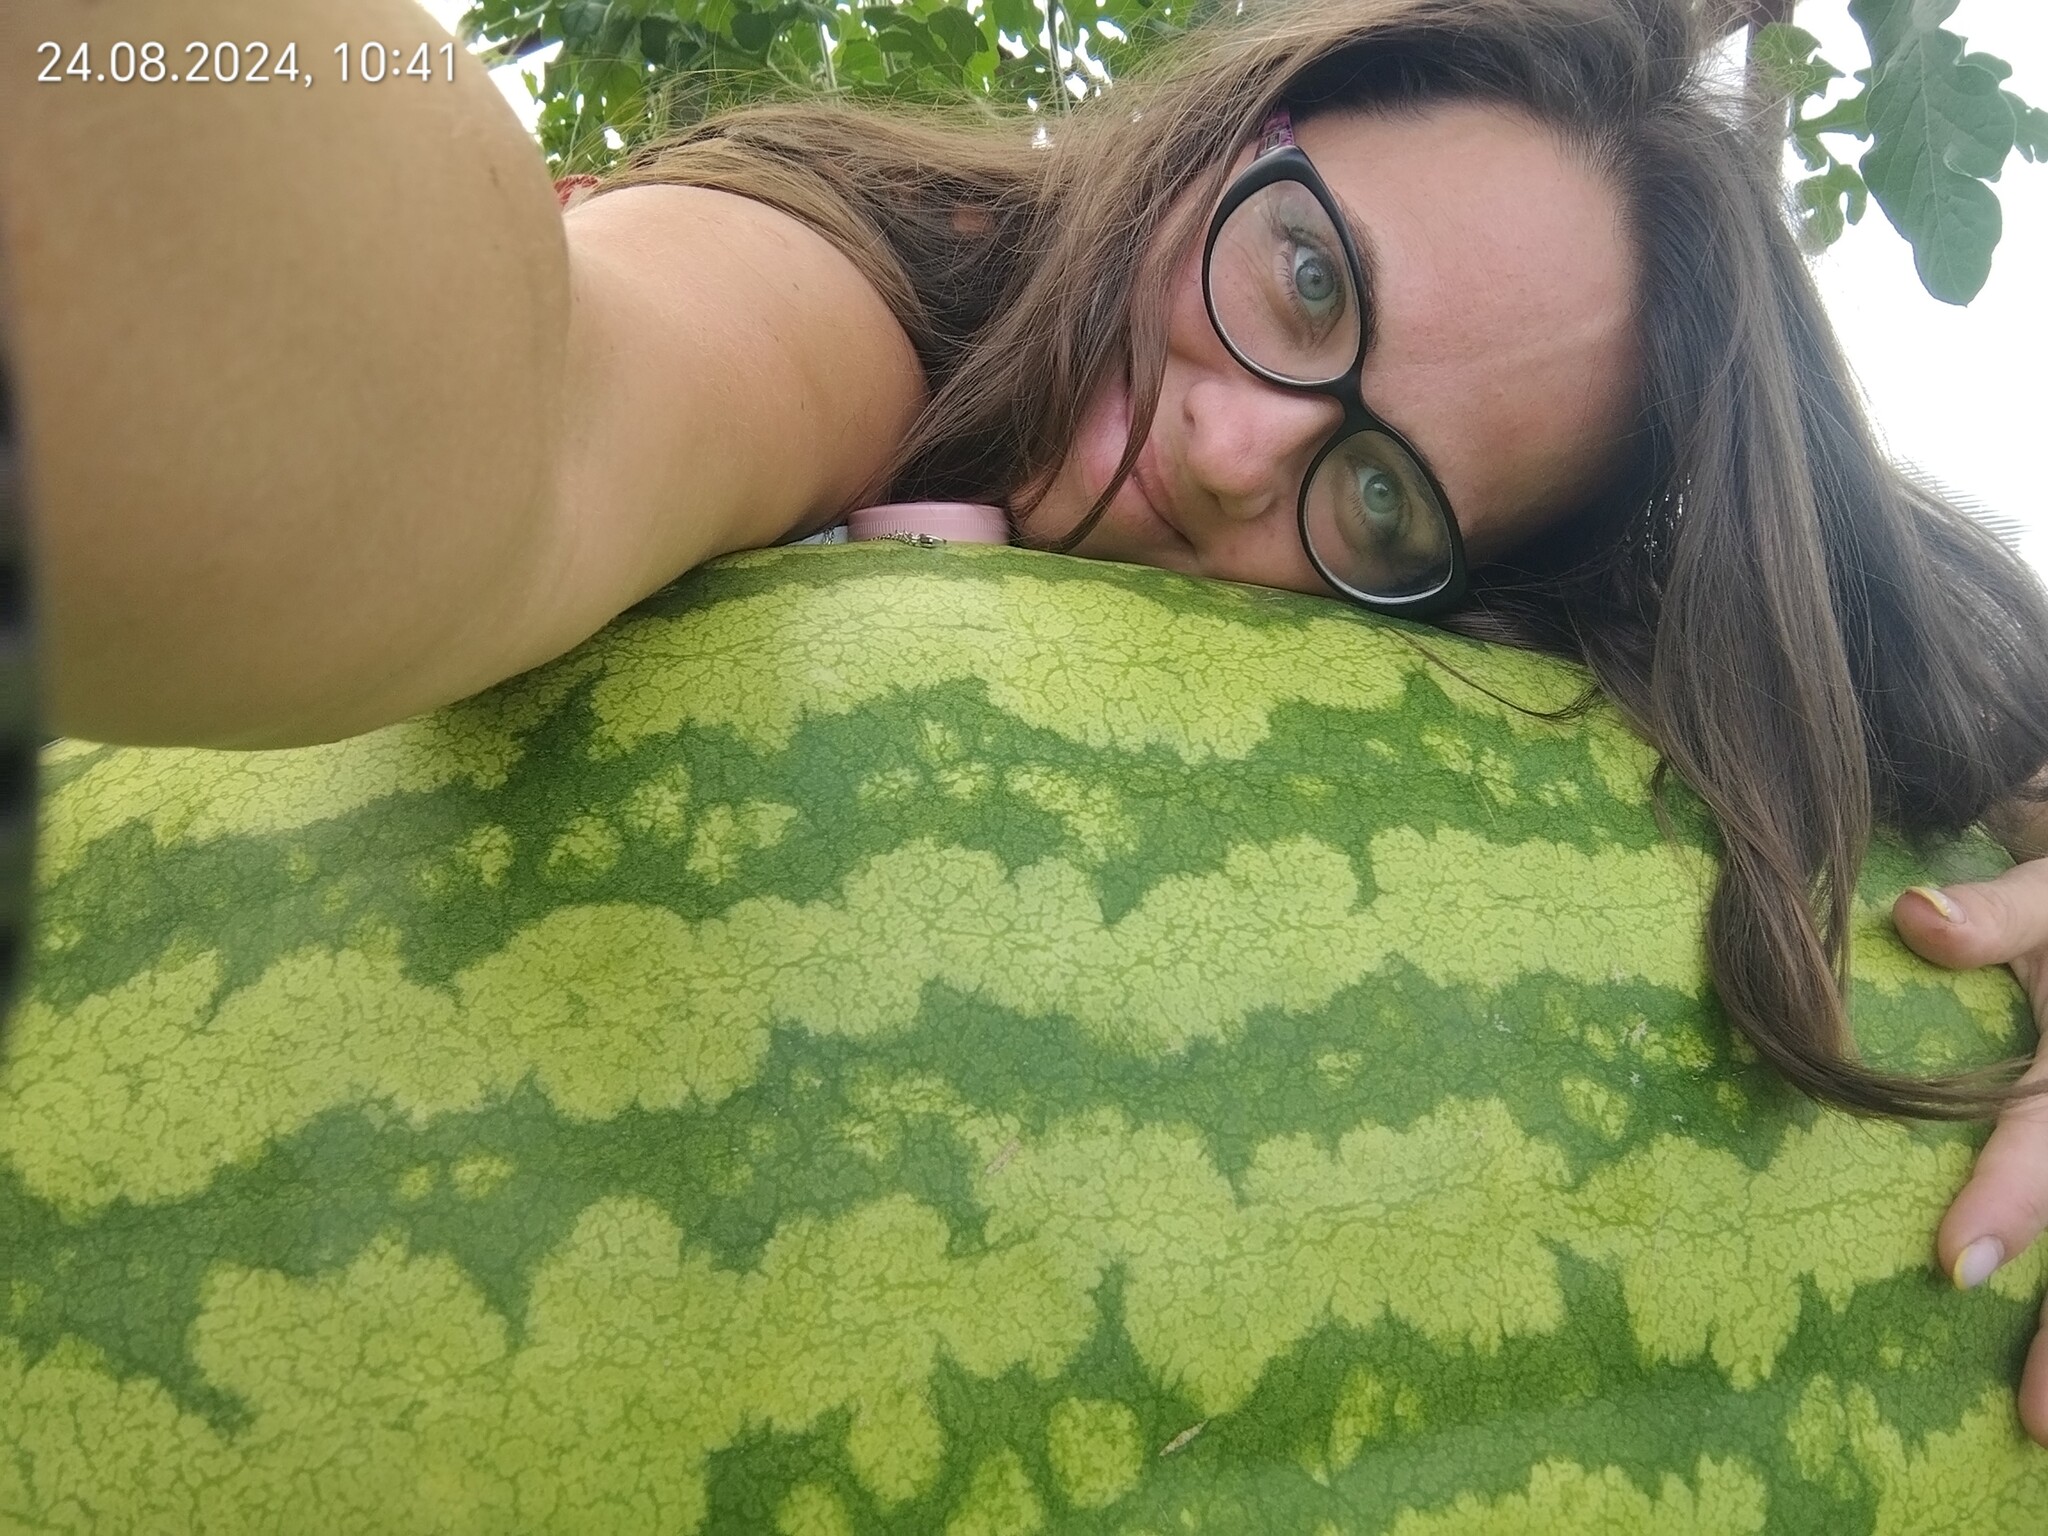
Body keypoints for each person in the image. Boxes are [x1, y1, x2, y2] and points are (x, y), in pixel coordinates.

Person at [7, 0, 2048, 1437]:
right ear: (1240, 131)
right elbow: (533, 430)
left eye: (1377, 498)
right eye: (1309, 282)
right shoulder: (889, 275)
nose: (1244, 453)